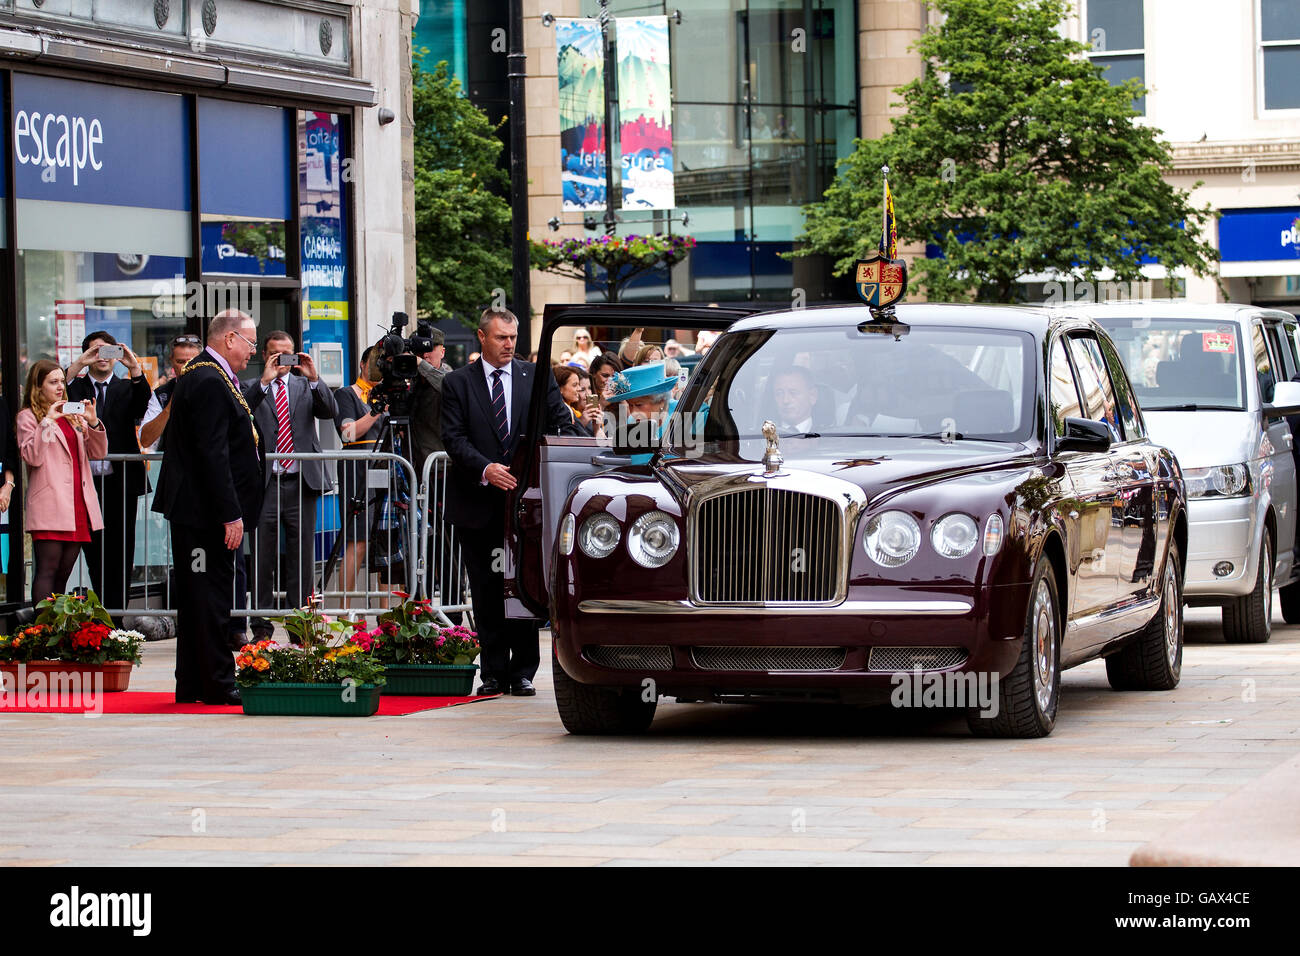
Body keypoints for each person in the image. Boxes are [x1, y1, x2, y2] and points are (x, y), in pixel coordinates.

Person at [441, 307, 580, 696]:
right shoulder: (457, 383)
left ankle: (522, 672)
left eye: (513, 338)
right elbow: (453, 438)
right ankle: (493, 672)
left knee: (524, 587)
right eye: (501, 337)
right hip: (479, 503)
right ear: (481, 337)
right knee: (486, 591)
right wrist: (486, 469)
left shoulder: (534, 377)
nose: (509, 344)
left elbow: (560, 420)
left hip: (526, 506)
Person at [153, 309, 265, 706]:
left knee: (202, 596)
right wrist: (229, 512)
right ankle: (216, 682)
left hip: (202, 512)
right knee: (209, 597)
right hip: (203, 515)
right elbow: (211, 453)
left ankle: (194, 683)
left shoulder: (209, 375)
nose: (253, 351)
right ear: (230, 339)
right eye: (250, 342)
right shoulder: (205, 378)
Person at [244, 332, 338, 638]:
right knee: (262, 556)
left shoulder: (303, 385)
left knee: (302, 558)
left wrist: (314, 377)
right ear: (264, 355)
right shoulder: (251, 387)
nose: (283, 361)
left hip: (301, 481)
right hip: (266, 482)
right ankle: (261, 625)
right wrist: (263, 381)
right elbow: (242, 412)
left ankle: (301, 626)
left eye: (288, 354)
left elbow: (329, 411)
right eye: (276, 354)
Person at [64, 331, 151, 619]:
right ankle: (99, 613)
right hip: (86, 483)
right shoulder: (75, 387)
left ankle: (116, 616)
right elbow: (56, 394)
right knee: (94, 552)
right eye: (96, 351)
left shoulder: (127, 387)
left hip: (120, 481)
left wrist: (134, 367)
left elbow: (144, 408)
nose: (103, 357)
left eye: (109, 351)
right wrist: (78, 365)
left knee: (121, 551)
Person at [16, 361, 108, 602]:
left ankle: (57, 631)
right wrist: (47, 420)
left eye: (61, 381)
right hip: (50, 502)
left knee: (63, 574)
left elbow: (97, 453)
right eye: (52, 382)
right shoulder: (28, 417)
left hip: (77, 503)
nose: (60, 387)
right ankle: (41, 631)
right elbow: (32, 456)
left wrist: (93, 422)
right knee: (47, 570)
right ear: (37, 387)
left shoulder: (71, 415)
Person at [409, 327, 464, 620]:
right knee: (420, 545)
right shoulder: (409, 379)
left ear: (442, 351)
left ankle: (453, 610)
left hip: (443, 475)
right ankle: (419, 605)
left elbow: (448, 386)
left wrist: (422, 367)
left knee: (448, 545)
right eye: (418, 352)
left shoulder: (452, 377)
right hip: (413, 474)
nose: (423, 357)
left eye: (429, 351)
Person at [333, 345, 385, 611]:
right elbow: (347, 434)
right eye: (375, 362)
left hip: (386, 469)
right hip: (358, 470)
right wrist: (375, 410)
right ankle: (344, 611)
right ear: (363, 364)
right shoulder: (346, 394)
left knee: (386, 543)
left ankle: (388, 616)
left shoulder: (388, 393)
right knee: (358, 541)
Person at [139, 334, 203, 452]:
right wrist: (170, 406)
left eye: (192, 361)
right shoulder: (162, 394)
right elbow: (145, 440)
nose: (186, 366)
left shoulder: (215, 386)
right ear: (171, 361)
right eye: (180, 362)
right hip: (174, 465)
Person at [554, 365, 604, 437]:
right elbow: (569, 441)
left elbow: (604, 446)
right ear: (560, 388)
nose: (579, 389)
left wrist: (597, 428)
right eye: (575, 385)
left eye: (590, 388)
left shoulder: (573, 412)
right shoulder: (562, 411)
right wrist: (582, 422)